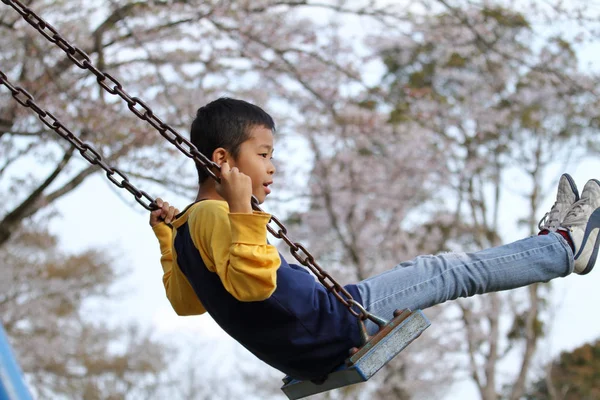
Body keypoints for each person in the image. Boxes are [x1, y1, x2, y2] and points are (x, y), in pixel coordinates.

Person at [150, 98, 600, 381]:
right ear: (223, 159)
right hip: (334, 325)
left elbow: (188, 302)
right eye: (264, 155)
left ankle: (548, 243)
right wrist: (243, 210)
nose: (272, 168)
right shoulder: (216, 214)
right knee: (446, 270)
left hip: (313, 341)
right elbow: (254, 286)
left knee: (427, 270)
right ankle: (564, 246)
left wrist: (168, 241)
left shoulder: (191, 223)